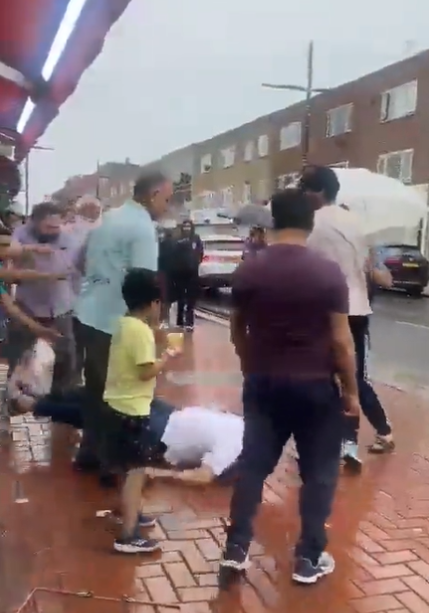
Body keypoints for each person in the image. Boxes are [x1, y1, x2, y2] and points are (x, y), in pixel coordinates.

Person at [219, 188, 360, 587]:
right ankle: (308, 557)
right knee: (319, 472)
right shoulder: (327, 271)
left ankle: (236, 548)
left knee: (254, 464)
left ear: (272, 221)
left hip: (264, 383)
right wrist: (350, 392)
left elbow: (237, 329)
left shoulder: (249, 269)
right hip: (315, 385)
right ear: (311, 221)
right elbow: (341, 341)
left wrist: (250, 365)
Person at [74, 171, 172, 484]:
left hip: (88, 313)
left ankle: (88, 453)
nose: (166, 207)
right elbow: (145, 284)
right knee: (117, 397)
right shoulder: (142, 228)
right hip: (114, 321)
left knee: (94, 390)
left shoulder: (108, 217)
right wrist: (155, 329)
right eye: (166, 199)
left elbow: (80, 262)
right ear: (153, 194)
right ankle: (112, 467)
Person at [300, 166, 394, 468]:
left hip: (328, 309)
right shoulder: (356, 222)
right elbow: (368, 266)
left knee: (327, 376)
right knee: (353, 375)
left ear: (317, 192)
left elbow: (307, 266)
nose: (303, 195)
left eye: (305, 190)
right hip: (358, 308)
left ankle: (334, 441)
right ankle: (374, 434)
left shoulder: (311, 224)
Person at [102, 268, 181, 553]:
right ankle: (127, 536)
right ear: (154, 303)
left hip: (115, 405)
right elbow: (147, 371)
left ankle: (128, 511)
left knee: (125, 468)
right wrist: (168, 356)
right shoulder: (141, 332)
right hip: (132, 411)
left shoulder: (125, 324)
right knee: (136, 473)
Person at [8, 202, 80, 390]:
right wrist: (31, 250)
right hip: (28, 304)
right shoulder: (20, 235)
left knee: (66, 354)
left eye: (56, 227)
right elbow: (11, 261)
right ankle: (14, 397)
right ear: (34, 222)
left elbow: (74, 270)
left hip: (61, 305)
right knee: (19, 353)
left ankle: (60, 398)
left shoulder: (68, 239)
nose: (53, 231)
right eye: (48, 227)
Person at [173, 220, 203, 331]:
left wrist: (196, 262)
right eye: (185, 226)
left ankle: (189, 323)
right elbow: (174, 253)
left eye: (188, 226)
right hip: (180, 272)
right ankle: (180, 321)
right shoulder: (178, 239)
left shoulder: (196, 238)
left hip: (193, 272)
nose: (187, 228)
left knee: (191, 299)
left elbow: (200, 252)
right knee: (180, 298)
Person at [158, 228, 178, 326]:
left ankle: (163, 317)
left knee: (163, 296)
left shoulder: (161, 245)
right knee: (169, 297)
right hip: (173, 273)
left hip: (163, 272)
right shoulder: (176, 244)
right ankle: (166, 317)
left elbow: (158, 258)